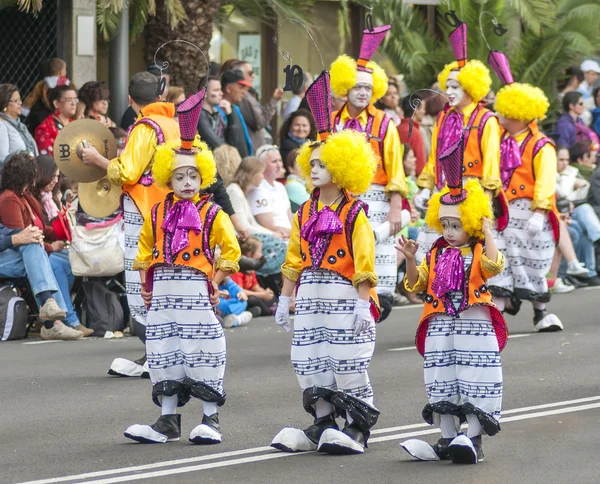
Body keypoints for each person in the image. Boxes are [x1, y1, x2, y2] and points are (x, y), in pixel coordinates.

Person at [271, 71, 380, 456]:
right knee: (310, 360)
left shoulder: (355, 214)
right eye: (310, 163)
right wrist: (286, 300)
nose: (313, 169)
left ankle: (357, 429)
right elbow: (293, 260)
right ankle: (321, 424)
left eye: (322, 163)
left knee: (347, 362)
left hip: (344, 295)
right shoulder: (305, 211)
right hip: (312, 296)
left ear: (343, 167)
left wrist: (364, 305)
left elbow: (364, 262)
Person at [123, 90, 241, 444]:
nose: (187, 183)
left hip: (195, 292)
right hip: (163, 294)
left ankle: (210, 418)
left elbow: (231, 251)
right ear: (167, 180)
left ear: (202, 177)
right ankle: (167, 420)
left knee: (203, 348)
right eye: (180, 177)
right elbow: (144, 250)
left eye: (192, 176)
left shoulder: (212, 212)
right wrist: (147, 283)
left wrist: (214, 280)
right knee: (163, 349)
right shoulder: (157, 212)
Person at [398, 174, 506, 465]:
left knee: (476, 379)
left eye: (456, 225)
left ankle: (473, 439)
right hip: (441, 325)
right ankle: (446, 439)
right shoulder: (435, 252)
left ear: (471, 223)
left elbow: (493, 266)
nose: (448, 231)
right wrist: (409, 259)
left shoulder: (481, 248)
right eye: (445, 224)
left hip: (474, 324)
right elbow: (416, 283)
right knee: (441, 378)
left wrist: (488, 231)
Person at [81, 71, 180, 377]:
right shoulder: (172, 123)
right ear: (160, 96)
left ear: (129, 100)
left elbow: (127, 173)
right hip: (170, 211)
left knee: (141, 284)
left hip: (144, 213)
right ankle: (164, 355)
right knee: (160, 279)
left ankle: (157, 358)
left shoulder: (145, 126)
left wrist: (96, 158)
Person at [330, 24, 408, 315]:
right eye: (356, 87)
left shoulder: (385, 123)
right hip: (342, 198)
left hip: (377, 197)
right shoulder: (333, 122)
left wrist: (396, 205)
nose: (362, 93)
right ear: (344, 88)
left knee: (382, 251)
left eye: (367, 87)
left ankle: (381, 298)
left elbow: (395, 165)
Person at [486, 50, 563, 332]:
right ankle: (498, 310)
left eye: (504, 110)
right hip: (504, 213)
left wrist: (540, 212)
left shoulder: (542, 145)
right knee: (502, 260)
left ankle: (541, 312)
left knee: (532, 262)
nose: (498, 114)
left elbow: (545, 180)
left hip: (531, 212)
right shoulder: (498, 139)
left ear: (519, 113)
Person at [414, 23, 501, 266]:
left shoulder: (487, 119)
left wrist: (485, 201)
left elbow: (492, 166)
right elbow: (434, 159)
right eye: (448, 86)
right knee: (434, 250)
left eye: (456, 86)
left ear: (471, 87)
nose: (449, 92)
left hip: (473, 191)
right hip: (444, 190)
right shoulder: (442, 117)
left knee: (472, 254)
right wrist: (424, 187)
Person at [0, 153, 85, 340]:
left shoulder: (24, 197)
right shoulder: (8, 199)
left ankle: (52, 315)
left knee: (38, 249)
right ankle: (56, 319)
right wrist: (44, 244)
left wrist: (64, 232)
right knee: (36, 249)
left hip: (23, 253)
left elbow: (35, 229)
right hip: (11, 255)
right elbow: (17, 237)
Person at [226, 156, 287, 288]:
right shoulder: (234, 191)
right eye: (260, 173)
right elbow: (244, 226)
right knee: (281, 247)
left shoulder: (241, 191)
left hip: (248, 234)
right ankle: (275, 284)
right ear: (251, 174)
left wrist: (273, 232)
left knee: (281, 242)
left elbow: (252, 223)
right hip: (241, 237)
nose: (262, 177)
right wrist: (272, 235)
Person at [235, 60, 285, 149]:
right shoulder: (244, 97)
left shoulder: (248, 95)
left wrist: (274, 100)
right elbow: (260, 122)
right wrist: (273, 101)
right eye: (250, 73)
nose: (253, 76)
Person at [247, 145, 293, 236]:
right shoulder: (258, 189)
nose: (279, 165)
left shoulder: (280, 186)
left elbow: (290, 217)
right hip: (277, 238)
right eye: (274, 162)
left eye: (280, 160)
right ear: (262, 165)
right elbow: (269, 226)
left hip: (290, 236)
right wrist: (295, 234)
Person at [197, 76, 249, 155]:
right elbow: (214, 143)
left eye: (220, 89)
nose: (221, 93)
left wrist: (230, 115)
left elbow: (235, 142)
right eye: (216, 90)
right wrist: (230, 154)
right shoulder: (198, 114)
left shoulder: (218, 113)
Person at [23, 58, 73, 134]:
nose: (66, 72)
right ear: (60, 72)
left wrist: (25, 109)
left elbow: (32, 97)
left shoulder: (41, 84)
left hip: (43, 114)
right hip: (60, 116)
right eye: (65, 69)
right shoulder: (67, 85)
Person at [231, 236, 276, 317]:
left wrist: (266, 293)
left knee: (272, 297)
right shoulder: (237, 270)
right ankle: (270, 311)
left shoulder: (251, 270)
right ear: (249, 253)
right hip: (239, 298)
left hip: (250, 295)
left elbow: (255, 287)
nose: (261, 255)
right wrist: (261, 295)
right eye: (259, 251)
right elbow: (239, 291)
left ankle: (255, 311)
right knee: (254, 300)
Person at [34, 85, 78, 156]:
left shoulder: (75, 125)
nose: (73, 104)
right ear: (56, 103)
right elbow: (47, 161)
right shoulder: (45, 129)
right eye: (68, 100)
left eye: (75, 100)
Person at [0, 84, 39, 163]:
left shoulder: (20, 126)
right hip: (12, 174)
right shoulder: (2, 125)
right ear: (5, 103)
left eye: (20, 100)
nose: (20, 103)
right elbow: (2, 158)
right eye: (16, 100)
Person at [220, 70, 253, 157]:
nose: (244, 92)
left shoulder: (236, 109)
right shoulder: (217, 111)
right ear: (228, 88)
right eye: (241, 87)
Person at [398, 95, 427, 175]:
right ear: (416, 110)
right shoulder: (414, 132)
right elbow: (420, 164)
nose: (424, 111)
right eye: (423, 108)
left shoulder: (395, 129)